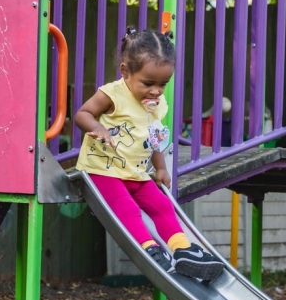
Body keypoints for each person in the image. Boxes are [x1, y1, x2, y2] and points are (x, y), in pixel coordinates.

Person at [75, 28, 225, 281]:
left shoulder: (157, 104)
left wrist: (161, 168)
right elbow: (82, 114)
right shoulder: (113, 94)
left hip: (136, 173)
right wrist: (98, 127)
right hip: (103, 170)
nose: (156, 91)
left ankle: (183, 251)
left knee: (163, 206)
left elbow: (154, 138)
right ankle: (149, 248)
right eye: (148, 83)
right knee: (128, 209)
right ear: (125, 72)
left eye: (163, 84)